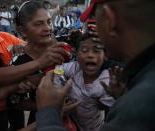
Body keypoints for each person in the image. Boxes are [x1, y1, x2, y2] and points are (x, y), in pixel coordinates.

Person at [35, 0, 155, 131]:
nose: (90, 55)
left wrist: (49, 112)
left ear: (110, 20)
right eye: (84, 50)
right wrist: (121, 99)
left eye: (95, 22)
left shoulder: (140, 106)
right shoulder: (139, 87)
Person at [0, 3, 68, 131]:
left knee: (18, 125)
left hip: (15, 101)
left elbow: (28, 45)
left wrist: (22, 47)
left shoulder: (4, 37)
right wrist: (40, 63)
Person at [10, 0, 71, 125]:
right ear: (22, 31)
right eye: (38, 24)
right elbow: (15, 102)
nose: (48, 28)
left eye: (49, 22)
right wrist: (49, 107)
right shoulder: (19, 62)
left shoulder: (67, 45)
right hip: (43, 121)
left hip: (79, 117)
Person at [55, 32, 115, 131]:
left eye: (96, 51)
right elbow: (58, 70)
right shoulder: (74, 68)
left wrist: (103, 99)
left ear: (105, 56)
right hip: (72, 122)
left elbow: (106, 107)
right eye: (84, 50)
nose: (90, 55)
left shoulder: (107, 81)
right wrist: (62, 86)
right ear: (76, 54)